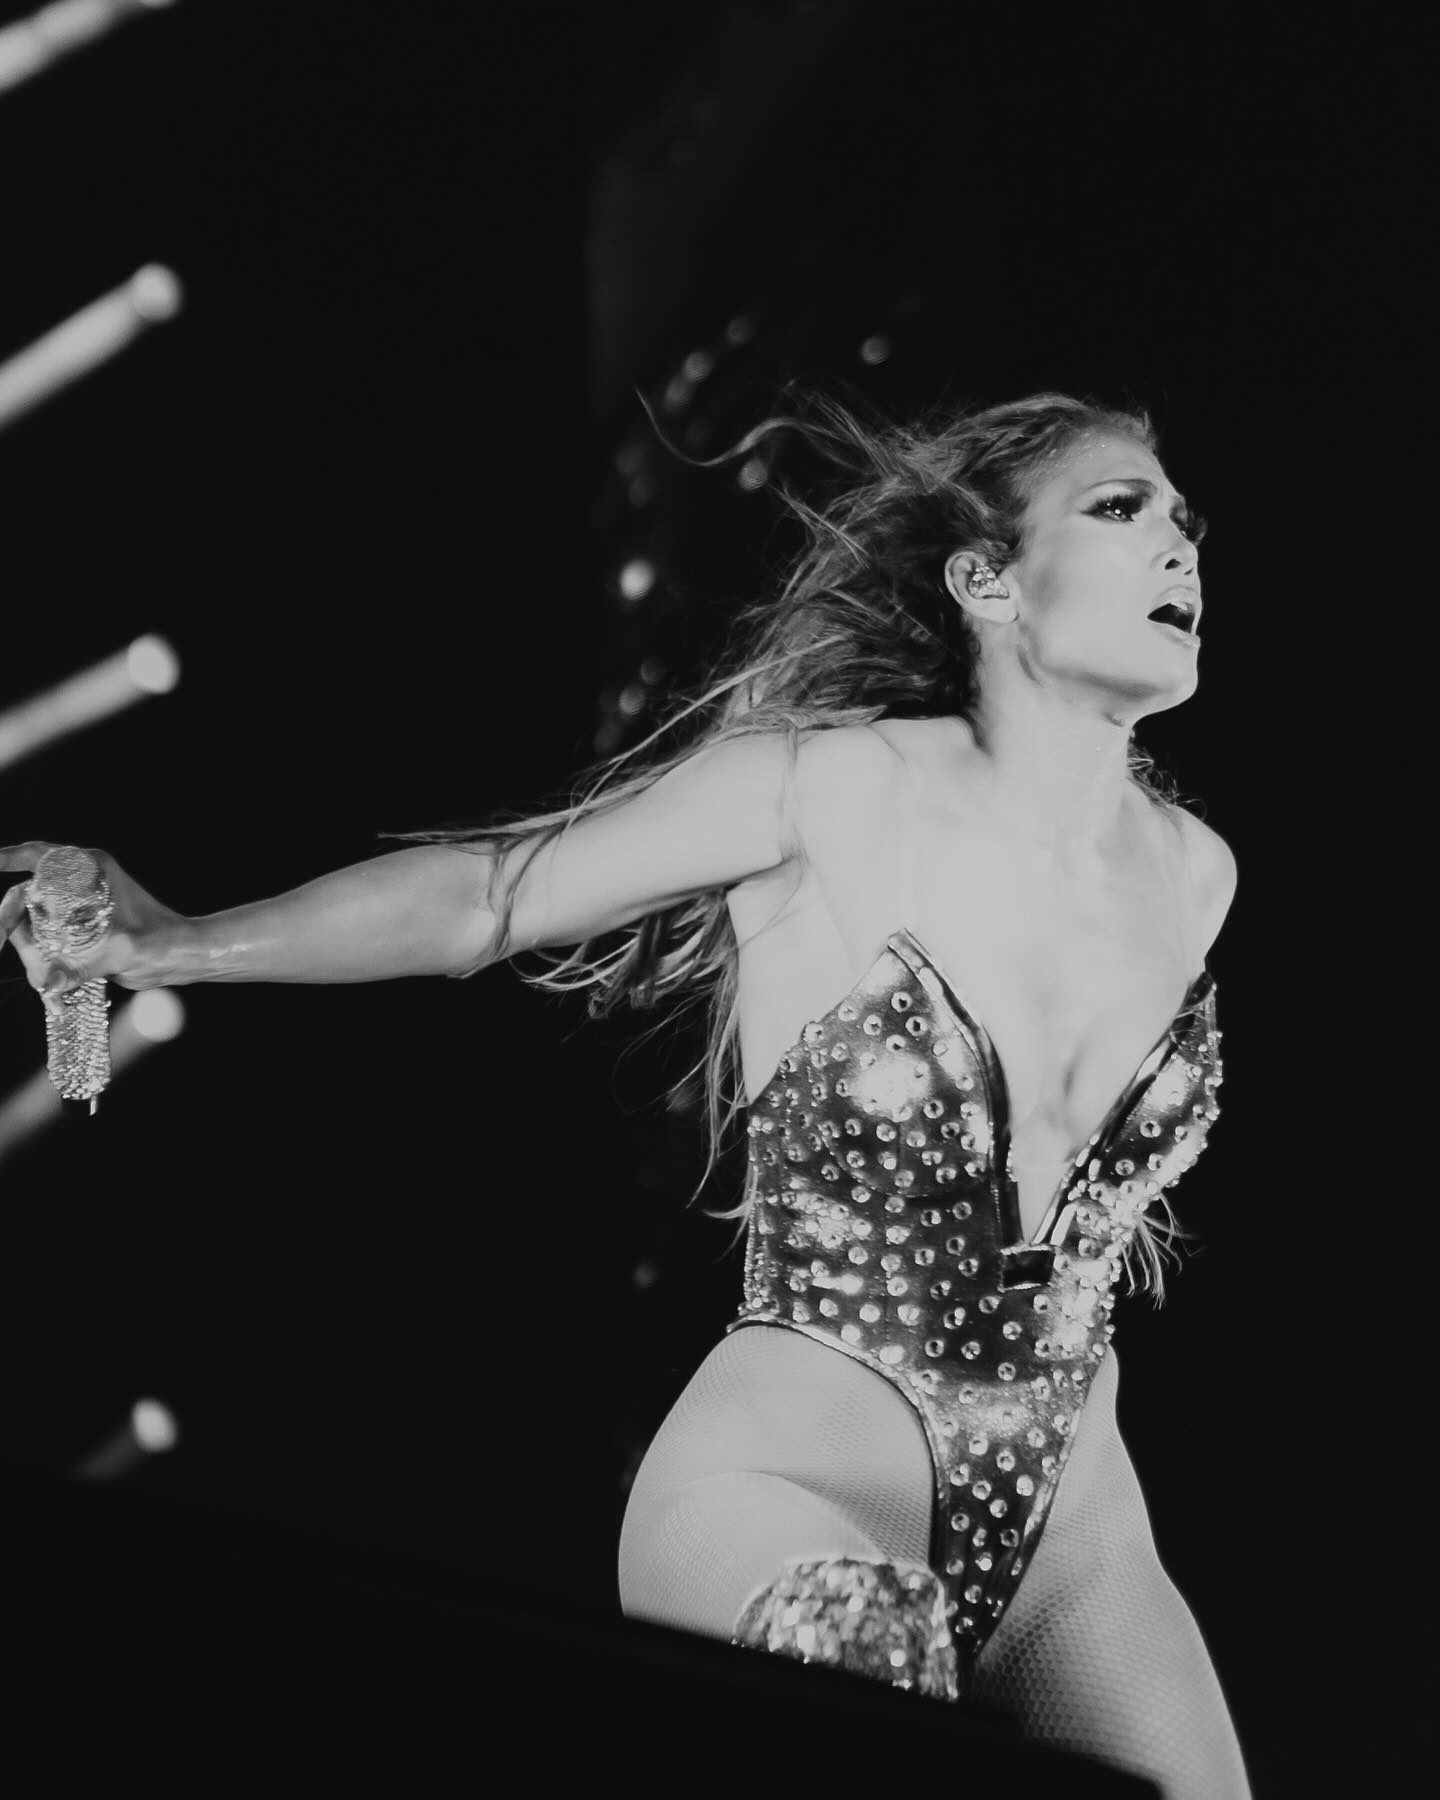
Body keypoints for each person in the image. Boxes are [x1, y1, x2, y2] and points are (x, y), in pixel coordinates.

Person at [1, 388, 1249, 1797]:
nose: (1180, 544)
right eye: (1121, 508)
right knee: (877, 1675)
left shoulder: (1194, 874)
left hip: (1075, 1539)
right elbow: (486, 900)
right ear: (987, 581)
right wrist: (174, 944)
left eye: (1186, 520)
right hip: (787, 1488)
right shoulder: (830, 789)